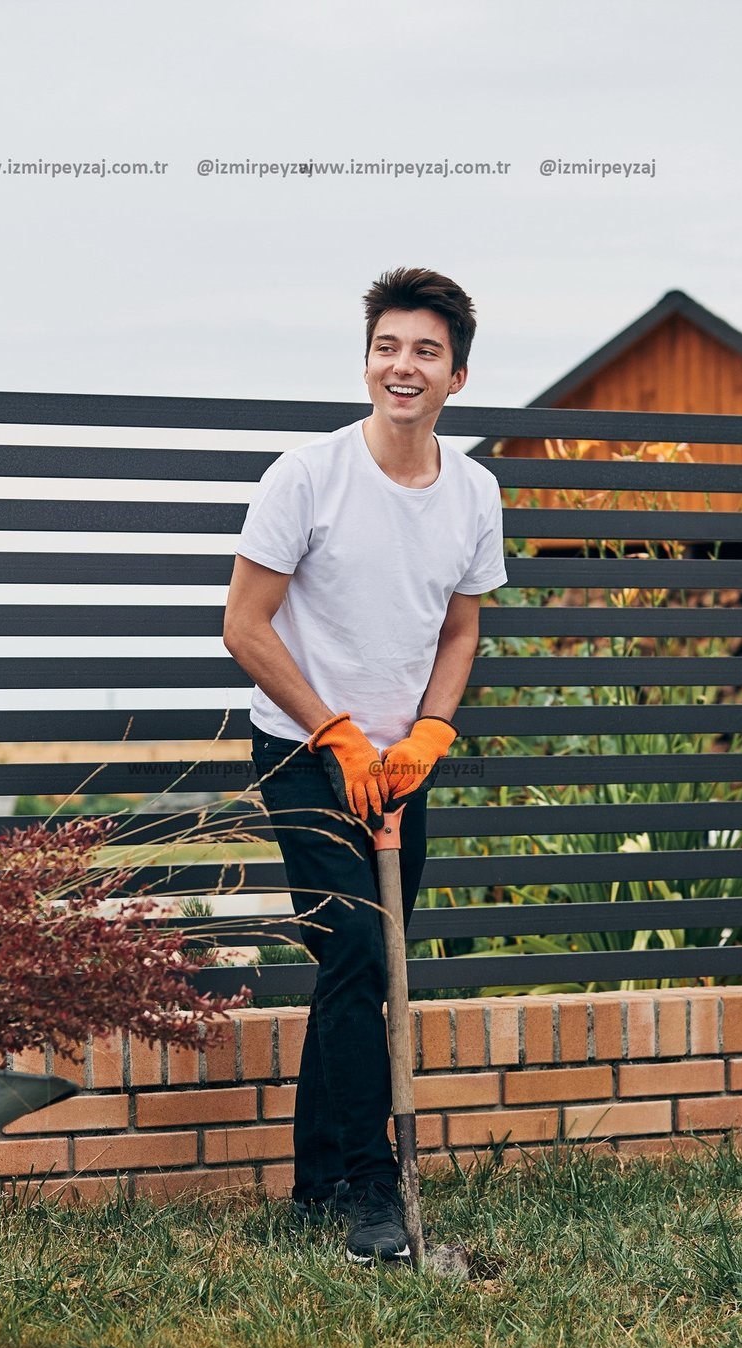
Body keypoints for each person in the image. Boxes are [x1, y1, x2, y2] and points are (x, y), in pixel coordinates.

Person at [223, 267, 507, 1263]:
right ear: (366, 360)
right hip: (305, 751)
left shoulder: (475, 491)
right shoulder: (307, 477)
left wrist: (429, 732)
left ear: (455, 376)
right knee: (356, 952)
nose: (404, 365)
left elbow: (461, 628)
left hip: (401, 763)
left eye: (425, 350)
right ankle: (371, 1191)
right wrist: (337, 736)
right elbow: (244, 629)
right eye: (389, 345)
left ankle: (314, 1181)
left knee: (361, 972)